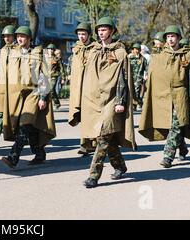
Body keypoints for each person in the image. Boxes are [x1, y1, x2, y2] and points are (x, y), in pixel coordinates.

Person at [139, 25, 190, 168]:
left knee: (177, 124)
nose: (170, 39)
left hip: (181, 95)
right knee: (172, 126)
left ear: (179, 38)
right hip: (165, 97)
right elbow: (155, 75)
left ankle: (168, 156)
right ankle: (182, 147)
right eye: (168, 36)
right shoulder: (161, 56)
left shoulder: (188, 55)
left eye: (173, 36)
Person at [81, 17, 136, 188]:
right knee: (108, 139)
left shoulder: (120, 53)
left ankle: (93, 176)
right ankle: (120, 166)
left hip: (113, 101)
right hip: (96, 100)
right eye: (99, 30)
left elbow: (123, 78)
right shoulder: (94, 51)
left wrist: (121, 101)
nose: (101, 32)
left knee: (103, 137)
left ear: (112, 31)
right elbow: (88, 77)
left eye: (104, 29)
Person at [0, 26, 56, 168]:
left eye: (23, 36)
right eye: (18, 36)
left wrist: (43, 97)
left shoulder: (38, 53)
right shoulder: (13, 53)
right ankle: (39, 152)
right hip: (17, 95)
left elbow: (45, 76)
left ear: (29, 38)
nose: (19, 39)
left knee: (25, 124)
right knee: (29, 126)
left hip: (33, 93)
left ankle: (13, 157)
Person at [68, 22, 96, 157]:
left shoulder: (95, 48)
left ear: (89, 35)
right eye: (79, 34)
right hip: (79, 88)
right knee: (84, 117)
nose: (81, 37)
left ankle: (92, 143)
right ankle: (86, 144)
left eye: (84, 34)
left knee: (93, 116)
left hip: (92, 88)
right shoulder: (76, 49)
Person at [128, 43, 148, 111]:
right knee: (130, 91)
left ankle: (134, 105)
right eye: (135, 49)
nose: (136, 50)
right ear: (133, 49)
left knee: (136, 91)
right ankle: (139, 102)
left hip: (138, 78)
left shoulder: (143, 59)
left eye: (138, 49)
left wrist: (146, 75)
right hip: (130, 78)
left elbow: (147, 68)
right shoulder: (130, 58)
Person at [46, 44, 66, 110]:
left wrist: (63, 78)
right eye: (49, 49)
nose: (50, 51)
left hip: (54, 75)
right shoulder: (44, 58)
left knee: (51, 89)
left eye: (52, 49)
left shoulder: (57, 59)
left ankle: (56, 103)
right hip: (46, 76)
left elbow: (61, 68)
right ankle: (47, 103)